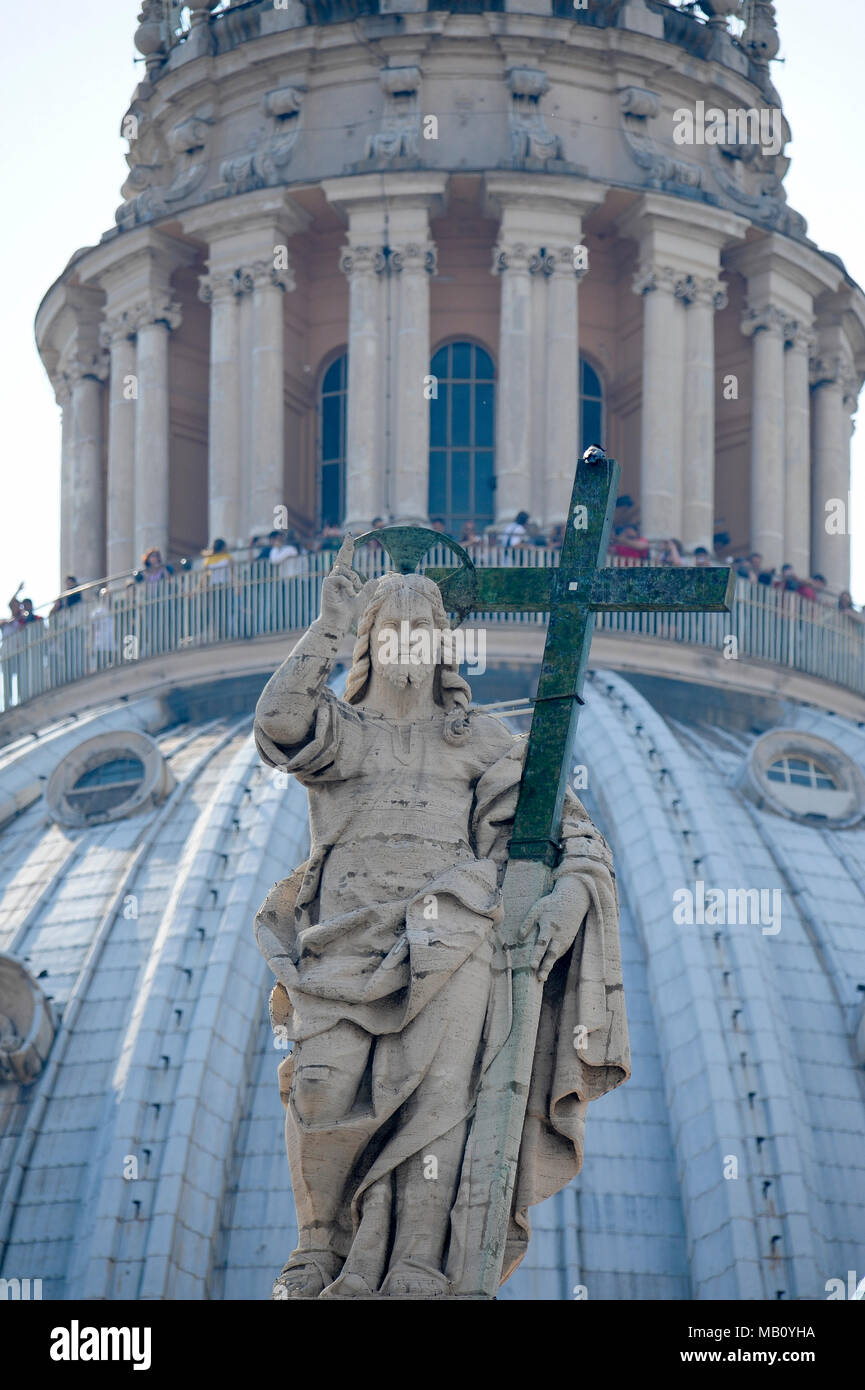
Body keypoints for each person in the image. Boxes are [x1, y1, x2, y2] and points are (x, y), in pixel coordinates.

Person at [253, 538, 628, 1298]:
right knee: (320, 1087)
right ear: (367, 640)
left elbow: (569, 836)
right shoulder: (340, 730)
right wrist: (323, 630)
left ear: (443, 649)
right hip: (342, 941)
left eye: (423, 633)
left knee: (438, 1109)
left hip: (450, 941)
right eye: (390, 630)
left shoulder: (481, 738)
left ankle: (418, 1259)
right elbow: (281, 721)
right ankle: (322, 1243)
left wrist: (566, 895)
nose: (407, 646)